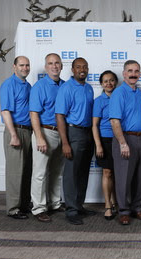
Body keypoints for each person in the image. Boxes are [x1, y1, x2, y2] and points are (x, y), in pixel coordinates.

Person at [109, 60, 141, 225]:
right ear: (124, 74)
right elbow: (114, 121)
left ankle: (137, 208)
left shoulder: (139, 93)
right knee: (123, 177)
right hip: (126, 139)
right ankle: (124, 211)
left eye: (136, 71)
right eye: (130, 71)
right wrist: (122, 143)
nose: (133, 74)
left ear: (139, 74)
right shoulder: (119, 93)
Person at [55, 57, 95, 225]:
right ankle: (71, 210)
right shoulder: (66, 88)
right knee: (71, 173)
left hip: (88, 133)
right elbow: (59, 116)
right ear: (72, 69)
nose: (82, 69)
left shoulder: (89, 88)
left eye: (85, 67)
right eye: (78, 67)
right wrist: (65, 142)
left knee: (83, 172)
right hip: (73, 132)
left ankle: (78, 205)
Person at [29, 53, 65, 223]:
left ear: (62, 66)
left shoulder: (65, 86)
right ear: (46, 67)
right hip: (45, 132)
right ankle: (39, 208)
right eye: (50, 63)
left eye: (57, 63)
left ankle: (55, 203)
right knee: (40, 173)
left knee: (57, 172)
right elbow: (34, 113)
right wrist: (39, 137)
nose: (54, 66)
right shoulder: (39, 86)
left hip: (62, 133)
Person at [0, 56, 32, 219]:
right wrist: (13, 135)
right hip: (15, 131)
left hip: (28, 131)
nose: (25, 68)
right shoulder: (8, 84)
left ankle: (24, 204)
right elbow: (5, 111)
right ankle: (13, 208)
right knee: (15, 171)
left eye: (27, 65)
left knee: (27, 170)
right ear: (14, 67)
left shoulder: (28, 86)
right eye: (21, 65)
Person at [92, 70, 119, 221]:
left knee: (117, 173)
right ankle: (108, 205)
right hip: (105, 140)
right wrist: (98, 145)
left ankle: (115, 202)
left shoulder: (120, 97)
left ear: (115, 82)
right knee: (107, 172)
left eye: (111, 80)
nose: (109, 83)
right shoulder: (99, 101)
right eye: (105, 81)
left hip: (119, 139)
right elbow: (94, 125)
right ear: (101, 84)